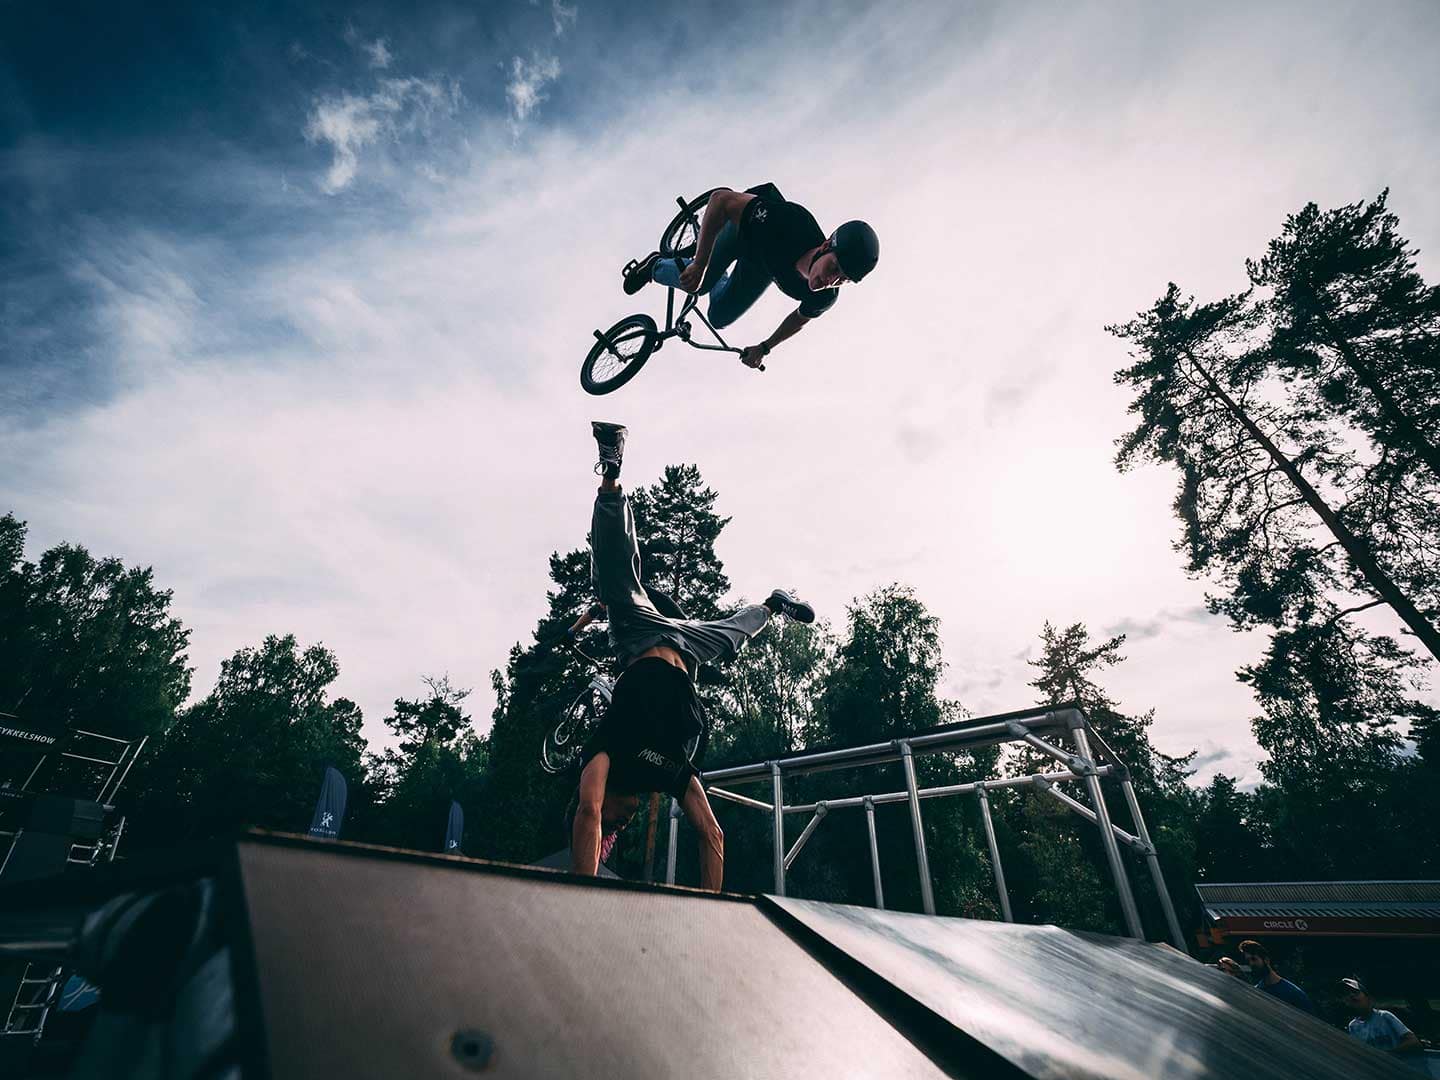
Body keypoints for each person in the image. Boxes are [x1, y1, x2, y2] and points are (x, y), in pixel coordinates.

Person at [569, 420, 816, 891]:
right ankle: (773, 605)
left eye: (619, 823)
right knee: (729, 635)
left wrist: (582, 891)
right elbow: (712, 834)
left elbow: (589, 810)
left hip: (640, 636)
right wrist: (709, 912)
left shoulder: (608, 751)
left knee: (616, 572)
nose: (625, 821)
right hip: (684, 649)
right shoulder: (666, 772)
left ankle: (611, 470)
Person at [621, 183, 879, 371]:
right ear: (825, 247)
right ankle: (655, 266)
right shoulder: (790, 223)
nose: (830, 280)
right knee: (700, 285)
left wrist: (765, 347)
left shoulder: (825, 297)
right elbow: (720, 199)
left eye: (842, 279)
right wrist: (700, 264)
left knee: (718, 317)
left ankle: (715, 271)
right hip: (743, 235)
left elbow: (799, 320)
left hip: (761, 267)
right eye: (834, 268)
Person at [1220, 940, 1319, 1016]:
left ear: (1266, 960)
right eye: (1248, 961)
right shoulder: (1257, 992)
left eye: (1254, 959)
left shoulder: (1293, 993)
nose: (1251, 964)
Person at [1341, 977, 1424, 1067]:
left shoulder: (1384, 1016)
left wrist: (1386, 1055)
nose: (1351, 996)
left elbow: (1414, 1042)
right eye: (1346, 994)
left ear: (1367, 997)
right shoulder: (1353, 1026)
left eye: (1355, 992)